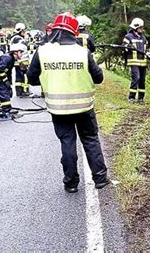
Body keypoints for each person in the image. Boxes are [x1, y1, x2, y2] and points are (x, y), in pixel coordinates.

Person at [27, 12, 110, 193]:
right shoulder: (82, 52)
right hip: (84, 107)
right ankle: (101, 179)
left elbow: (32, 79)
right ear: (74, 32)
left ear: (54, 30)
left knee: (67, 142)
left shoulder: (42, 52)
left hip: (58, 109)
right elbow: (99, 78)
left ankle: (71, 183)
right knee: (90, 140)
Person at [122, 18, 149, 104]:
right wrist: (128, 47)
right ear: (135, 27)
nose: (142, 29)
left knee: (142, 80)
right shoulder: (128, 37)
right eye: (140, 27)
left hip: (143, 62)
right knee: (136, 78)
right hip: (134, 62)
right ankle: (132, 97)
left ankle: (141, 98)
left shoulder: (143, 38)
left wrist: (148, 54)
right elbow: (123, 47)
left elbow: (146, 48)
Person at [10, 23, 32, 97]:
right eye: (24, 30)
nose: (24, 32)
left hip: (17, 61)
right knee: (24, 76)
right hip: (22, 61)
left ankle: (19, 91)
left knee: (18, 76)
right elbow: (23, 49)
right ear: (21, 30)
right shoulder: (19, 39)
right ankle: (24, 90)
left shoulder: (14, 38)